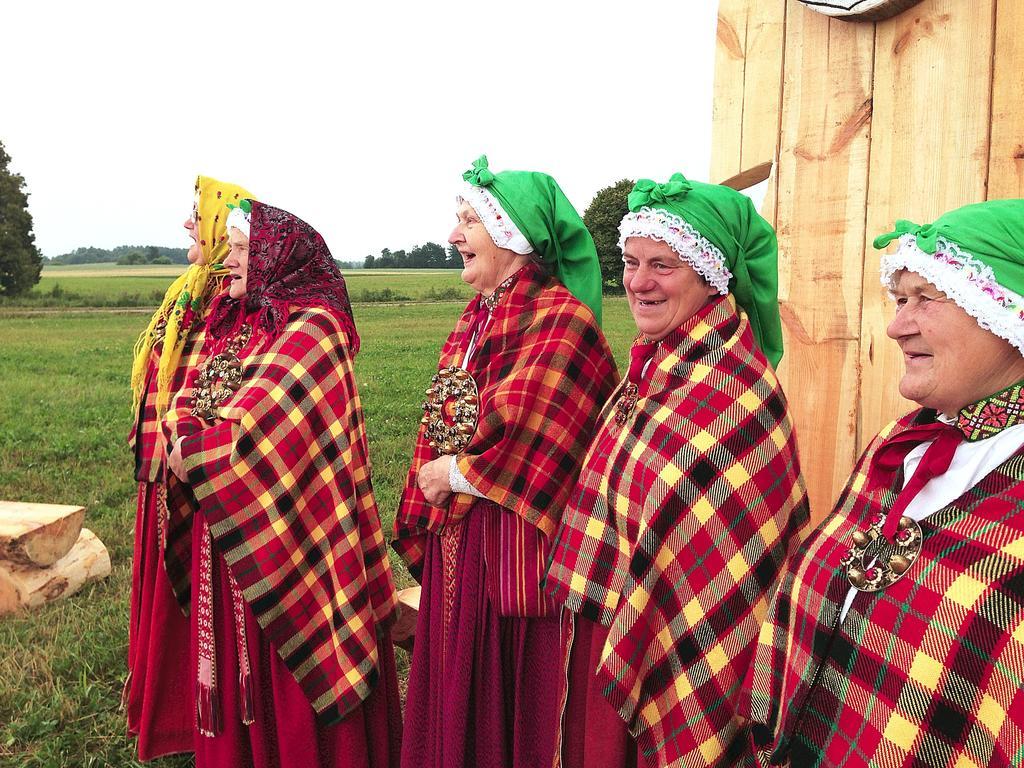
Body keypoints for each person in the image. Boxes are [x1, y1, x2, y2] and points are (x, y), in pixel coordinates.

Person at [743, 199, 1024, 767]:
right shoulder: (903, 442)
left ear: (1009, 313)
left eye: (928, 298)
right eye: (900, 300)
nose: (898, 326)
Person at [545, 174, 810, 768]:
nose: (638, 282)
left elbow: (727, 569)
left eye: (662, 265)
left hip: (672, 651)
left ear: (712, 275)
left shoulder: (732, 387)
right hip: (616, 629)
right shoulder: (657, 365)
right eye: (632, 261)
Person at [393, 155, 618, 768]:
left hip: (515, 552)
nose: (453, 234)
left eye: (469, 220)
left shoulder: (563, 321)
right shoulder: (474, 319)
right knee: (453, 678)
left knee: (510, 699)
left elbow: (534, 437)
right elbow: (450, 415)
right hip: (461, 542)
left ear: (513, 235)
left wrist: (451, 474)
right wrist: (437, 473)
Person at [163, 199, 401, 767]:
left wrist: (191, 450)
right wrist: (187, 431)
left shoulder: (315, 330)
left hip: (296, 542)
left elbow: (261, 434)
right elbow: (194, 398)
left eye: (245, 250)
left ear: (279, 256)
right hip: (233, 530)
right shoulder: (247, 321)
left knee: (291, 684)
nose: (231, 261)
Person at [125, 174, 251, 760]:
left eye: (195, 215)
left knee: (192, 596)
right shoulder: (189, 289)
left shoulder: (226, 298)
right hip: (163, 464)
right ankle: (164, 707)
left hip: (193, 471)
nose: (186, 225)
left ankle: (184, 717)